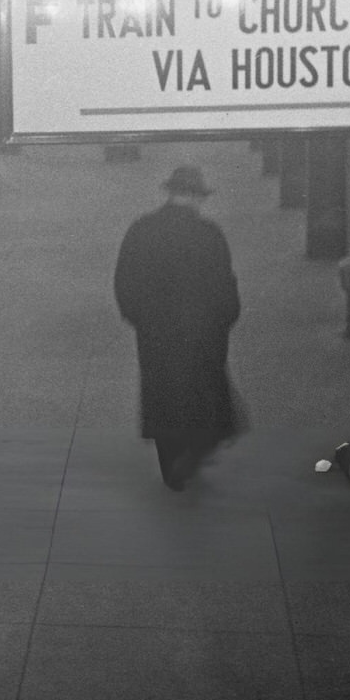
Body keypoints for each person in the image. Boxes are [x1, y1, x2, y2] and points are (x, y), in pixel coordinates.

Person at [113, 163, 244, 490]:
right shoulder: (210, 234)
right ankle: (197, 448)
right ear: (197, 198)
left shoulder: (141, 230)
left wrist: (138, 318)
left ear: (170, 194)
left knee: (161, 394)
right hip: (203, 333)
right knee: (203, 394)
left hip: (156, 333)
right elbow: (225, 286)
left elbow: (124, 281)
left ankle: (170, 464)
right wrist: (225, 320)